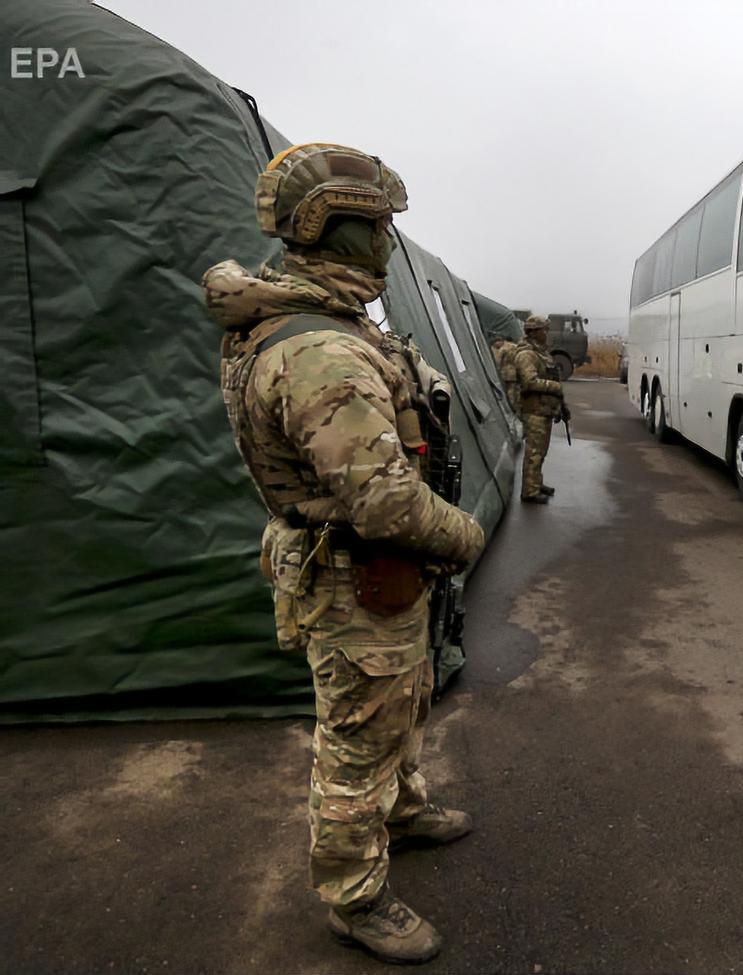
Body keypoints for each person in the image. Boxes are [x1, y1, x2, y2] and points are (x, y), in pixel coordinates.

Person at [203, 143, 484, 965]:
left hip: (378, 571)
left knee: (402, 702)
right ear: (337, 232)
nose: (391, 243)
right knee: (355, 741)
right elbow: (384, 500)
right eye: (379, 227)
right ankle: (355, 897)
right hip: (355, 571)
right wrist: (462, 538)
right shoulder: (319, 348)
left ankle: (403, 811)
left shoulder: (337, 324)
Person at [514, 314, 568, 503]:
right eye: (543, 330)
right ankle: (529, 491)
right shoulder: (526, 354)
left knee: (541, 451)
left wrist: (560, 404)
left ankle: (536, 483)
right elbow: (529, 382)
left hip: (544, 409)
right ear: (533, 332)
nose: (546, 333)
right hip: (534, 410)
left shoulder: (540, 353)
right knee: (534, 452)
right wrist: (555, 387)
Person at [491, 334, 521, 413]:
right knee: (518, 389)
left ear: (499, 341)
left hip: (507, 372)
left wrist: (497, 370)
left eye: (496, 344)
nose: (496, 346)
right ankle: (520, 405)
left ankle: (513, 406)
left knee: (510, 390)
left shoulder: (503, 349)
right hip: (518, 370)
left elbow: (498, 361)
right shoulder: (516, 346)